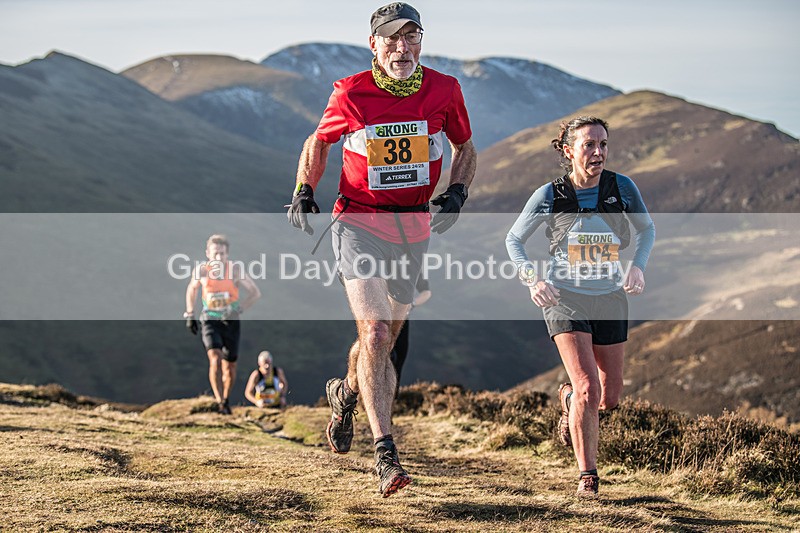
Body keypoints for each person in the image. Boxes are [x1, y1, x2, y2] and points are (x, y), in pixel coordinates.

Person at [286, 2, 476, 497]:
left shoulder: (444, 90)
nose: (401, 47)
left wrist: (458, 191)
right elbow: (319, 140)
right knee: (373, 332)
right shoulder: (351, 92)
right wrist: (305, 189)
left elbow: (466, 146)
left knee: (386, 339)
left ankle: (345, 392)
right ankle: (385, 454)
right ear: (374, 45)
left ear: (421, 42)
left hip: (413, 227)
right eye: (391, 39)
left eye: (411, 37)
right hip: (357, 221)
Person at [505, 116, 655, 498]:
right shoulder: (549, 195)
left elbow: (647, 229)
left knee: (609, 395)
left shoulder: (622, 188)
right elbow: (514, 240)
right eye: (589, 145)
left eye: (603, 144)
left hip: (609, 297)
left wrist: (637, 266)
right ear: (569, 151)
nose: (598, 152)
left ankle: (569, 400)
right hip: (564, 297)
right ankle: (587, 476)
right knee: (588, 385)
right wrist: (533, 280)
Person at [185, 234, 261, 415]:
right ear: (208, 254)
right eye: (215, 254)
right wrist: (189, 313)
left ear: (228, 255)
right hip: (210, 319)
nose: (219, 258)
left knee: (230, 366)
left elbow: (255, 293)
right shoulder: (202, 271)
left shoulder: (235, 271)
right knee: (215, 359)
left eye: (223, 254)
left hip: (231, 321)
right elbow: (192, 289)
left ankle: (226, 399)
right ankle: (219, 401)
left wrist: (238, 310)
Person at [390, 275, 431, 395]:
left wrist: (412, 304)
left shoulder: (411, 265)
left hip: (402, 320)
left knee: (398, 361)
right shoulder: (381, 260)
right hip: (379, 319)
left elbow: (426, 292)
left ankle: (391, 405)